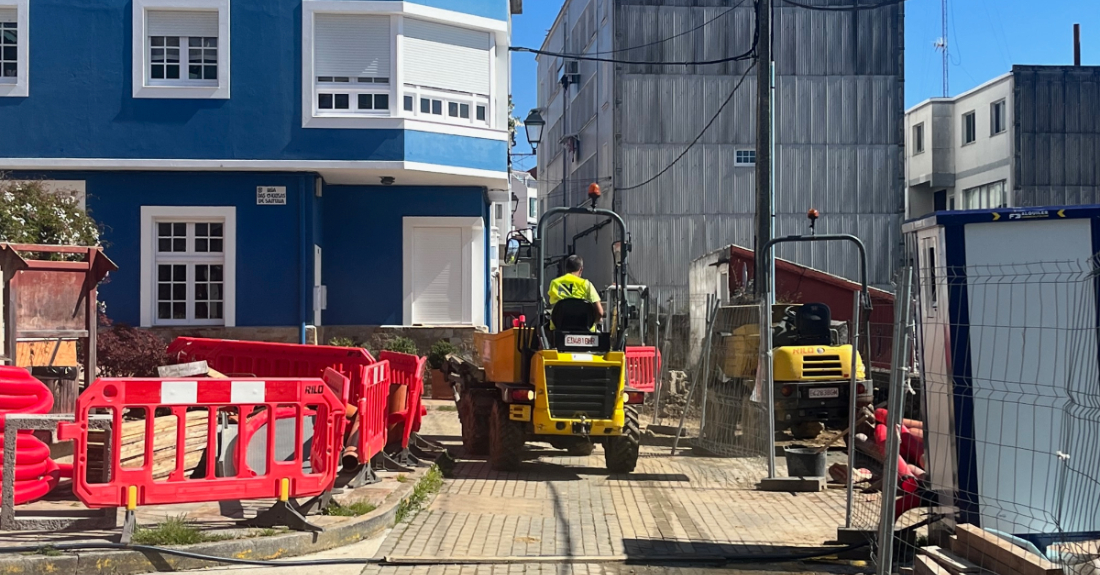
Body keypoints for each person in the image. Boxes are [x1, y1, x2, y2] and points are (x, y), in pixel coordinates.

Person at [548, 255, 604, 329]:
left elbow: (553, 306)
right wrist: (594, 323)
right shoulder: (586, 284)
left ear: (566, 269)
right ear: (581, 270)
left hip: (559, 330)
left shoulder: (555, 283)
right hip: (585, 331)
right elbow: (600, 312)